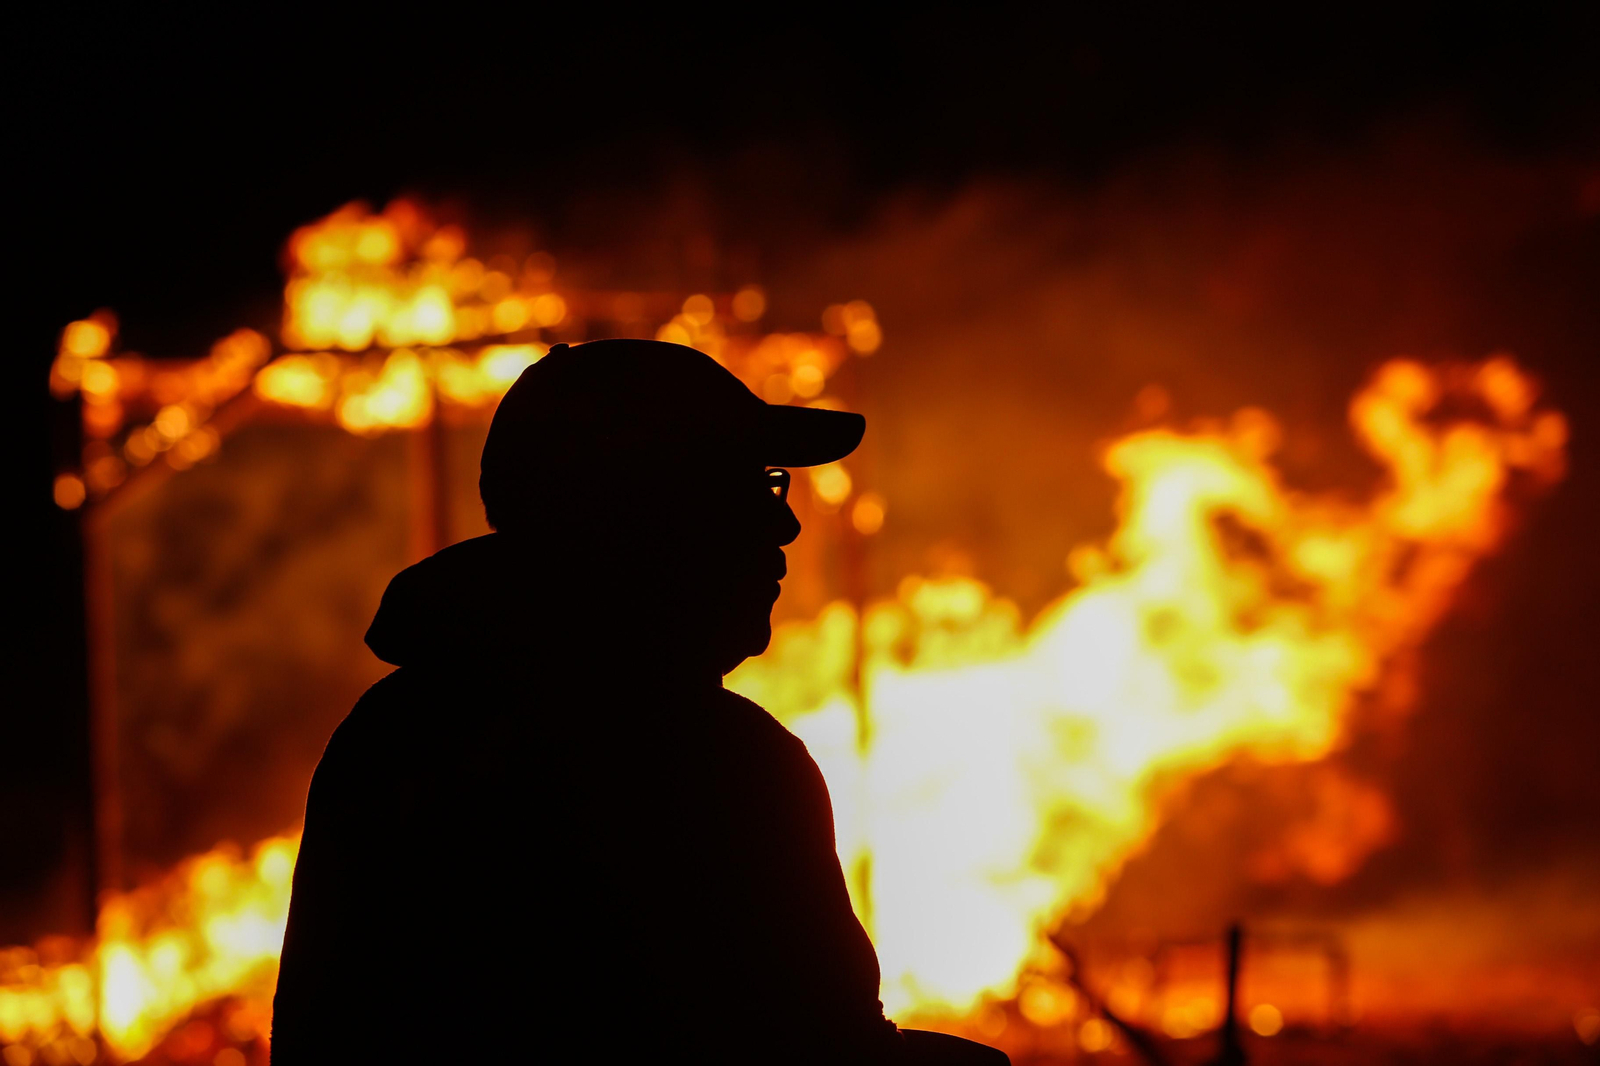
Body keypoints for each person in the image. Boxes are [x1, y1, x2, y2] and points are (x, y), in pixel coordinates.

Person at [271, 339, 1008, 1064]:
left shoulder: (393, 734)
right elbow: (819, 1051)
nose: (784, 525)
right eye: (751, 487)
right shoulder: (714, 763)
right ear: (651, 512)